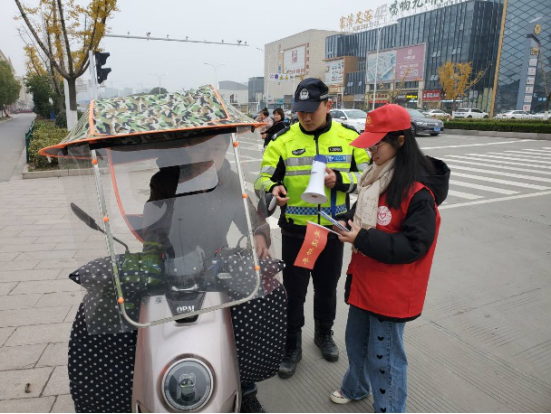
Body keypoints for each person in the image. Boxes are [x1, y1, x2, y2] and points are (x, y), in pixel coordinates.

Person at [329, 104, 450, 412]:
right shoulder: (375, 178)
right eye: (368, 145)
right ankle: (356, 386)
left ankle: (390, 407)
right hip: (364, 279)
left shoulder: (418, 192)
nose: (370, 151)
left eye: (376, 144)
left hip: (390, 290)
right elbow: (360, 215)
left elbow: (414, 245)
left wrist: (361, 238)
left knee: (384, 356)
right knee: (356, 342)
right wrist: (344, 222)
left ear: (400, 141)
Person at [255, 78, 371, 378]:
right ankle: (291, 344)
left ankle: (323, 334)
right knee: (294, 292)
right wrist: (272, 188)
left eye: (311, 110)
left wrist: (340, 181)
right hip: (296, 231)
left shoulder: (349, 137)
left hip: (333, 231)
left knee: (327, 288)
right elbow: (262, 178)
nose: (305, 116)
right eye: (300, 110)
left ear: (328, 105)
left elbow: (370, 177)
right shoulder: (282, 139)